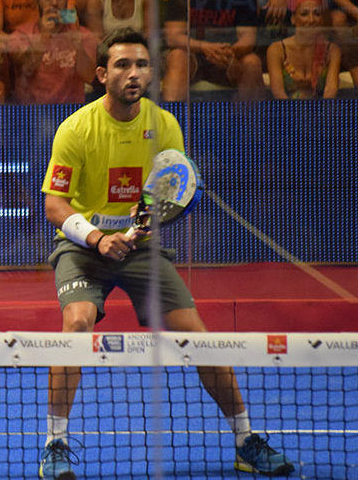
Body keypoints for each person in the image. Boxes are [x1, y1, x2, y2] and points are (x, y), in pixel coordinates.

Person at [37, 29, 295, 480]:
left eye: (141, 64)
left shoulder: (165, 125)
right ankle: (54, 444)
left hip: (140, 248)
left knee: (199, 337)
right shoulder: (76, 129)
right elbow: (54, 205)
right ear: (102, 75)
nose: (133, 73)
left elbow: (171, 189)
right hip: (84, 247)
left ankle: (245, 440)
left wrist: (141, 226)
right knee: (76, 324)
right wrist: (97, 238)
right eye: (122, 65)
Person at [162, 0, 265, 101]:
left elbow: (248, 39)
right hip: (193, 55)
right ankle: (172, 116)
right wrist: (205, 47)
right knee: (177, 57)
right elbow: (173, 37)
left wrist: (226, 54)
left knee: (252, 62)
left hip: (229, 57)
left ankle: (249, 119)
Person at [6, 0, 96, 104]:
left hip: (72, 111)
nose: (54, 3)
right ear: (36, 1)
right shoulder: (21, 35)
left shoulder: (84, 35)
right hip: (32, 112)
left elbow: (89, 77)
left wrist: (77, 42)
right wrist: (44, 37)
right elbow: (26, 70)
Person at [266, 0, 341, 99]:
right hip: (286, 109)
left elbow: (331, 90)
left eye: (317, 14)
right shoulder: (276, 50)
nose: (311, 20)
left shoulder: (332, 50)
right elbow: (278, 92)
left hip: (321, 108)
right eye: (304, 14)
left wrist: (320, 111)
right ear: (293, 18)